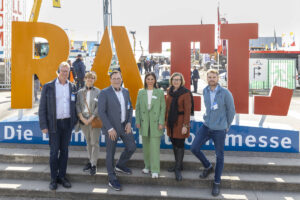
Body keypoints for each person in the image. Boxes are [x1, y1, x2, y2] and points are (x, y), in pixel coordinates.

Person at [190, 69, 235, 197]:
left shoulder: (225, 93)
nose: (211, 79)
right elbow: (209, 108)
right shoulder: (205, 91)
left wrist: (227, 125)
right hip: (206, 126)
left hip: (220, 129)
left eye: (214, 77)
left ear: (217, 79)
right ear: (207, 78)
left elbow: (231, 111)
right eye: (209, 77)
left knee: (219, 156)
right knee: (194, 148)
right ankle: (208, 166)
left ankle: (216, 182)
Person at [38, 62, 78, 190]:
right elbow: (42, 107)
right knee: (54, 152)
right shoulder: (49, 86)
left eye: (67, 71)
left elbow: (75, 105)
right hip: (54, 124)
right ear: (58, 71)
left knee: (65, 152)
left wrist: (74, 121)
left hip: (67, 123)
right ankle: (53, 179)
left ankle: (62, 177)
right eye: (63, 70)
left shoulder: (72, 87)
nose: (65, 73)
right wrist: (44, 125)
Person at [98, 70, 136, 191]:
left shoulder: (126, 91)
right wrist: (109, 128)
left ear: (121, 79)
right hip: (112, 129)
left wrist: (129, 122)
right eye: (114, 78)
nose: (116, 80)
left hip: (125, 126)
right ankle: (112, 178)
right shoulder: (104, 92)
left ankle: (120, 165)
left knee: (132, 147)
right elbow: (101, 112)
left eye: (118, 78)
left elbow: (130, 109)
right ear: (110, 80)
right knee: (110, 153)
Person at [135, 72, 166, 178]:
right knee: (146, 147)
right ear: (145, 80)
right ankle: (147, 166)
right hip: (144, 123)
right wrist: (137, 121)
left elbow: (163, 109)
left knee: (154, 148)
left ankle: (155, 169)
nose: (150, 81)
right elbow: (137, 108)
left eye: (152, 79)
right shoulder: (141, 92)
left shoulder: (159, 92)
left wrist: (161, 122)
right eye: (148, 79)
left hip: (156, 124)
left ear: (155, 80)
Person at [165, 72, 192, 181]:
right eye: (174, 79)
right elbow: (167, 107)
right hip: (171, 122)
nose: (176, 81)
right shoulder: (169, 91)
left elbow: (187, 111)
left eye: (178, 79)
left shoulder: (186, 93)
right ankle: (178, 164)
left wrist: (185, 125)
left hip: (181, 122)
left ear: (182, 81)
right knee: (174, 143)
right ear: (171, 81)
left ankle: (178, 169)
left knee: (180, 145)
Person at [76, 71, 101, 175]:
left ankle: (94, 164)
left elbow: (99, 107)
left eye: (92, 78)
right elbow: (77, 105)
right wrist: (82, 118)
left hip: (94, 120)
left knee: (94, 143)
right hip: (83, 120)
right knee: (88, 142)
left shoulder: (98, 92)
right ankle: (91, 161)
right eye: (88, 78)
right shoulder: (80, 92)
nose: (90, 80)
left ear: (94, 80)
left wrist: (90, 119)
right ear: (84, 79)